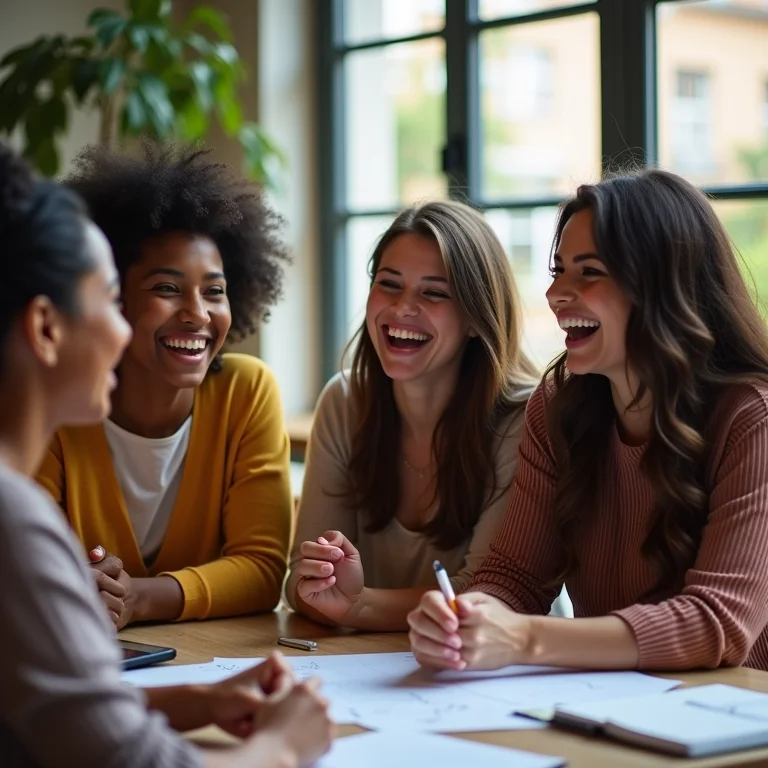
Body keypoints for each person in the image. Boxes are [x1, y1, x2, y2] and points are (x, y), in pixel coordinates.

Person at [0, 142, 332, 768]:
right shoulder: (13, 521)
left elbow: (50, 710)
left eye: (214, 291)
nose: (123, 328)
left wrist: (198, 700)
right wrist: (284, 747)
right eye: (107, 299)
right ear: (46, 328)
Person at [407, 169, 768, 673]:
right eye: (558, 270)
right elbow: (516, 577)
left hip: (732, 726)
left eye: (589, 271)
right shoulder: (557, 408)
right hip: (613, 708)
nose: (557, 294)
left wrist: (524, 638)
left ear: (662, 285)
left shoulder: (752, 418)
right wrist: (467, 617)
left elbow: (718, 624)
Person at [35, 142, 293, 628]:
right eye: (166, 288)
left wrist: (138, 599)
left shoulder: (247, 393)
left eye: (214, 291)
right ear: (111, 299)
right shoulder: (58, 405)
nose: (197, 313)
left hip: (209, 662)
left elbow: (261, 571)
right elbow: (31, 571)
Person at [285, 200, 540, 631]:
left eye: (434, 292)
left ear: (478, 318)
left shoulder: (525, 417)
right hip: (374, 671)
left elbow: (484, 596)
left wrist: (358, 606)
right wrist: (318, 587)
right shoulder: (345, 402)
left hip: (499, 673)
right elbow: (302, 580)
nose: (403, 308)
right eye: (389, 284)